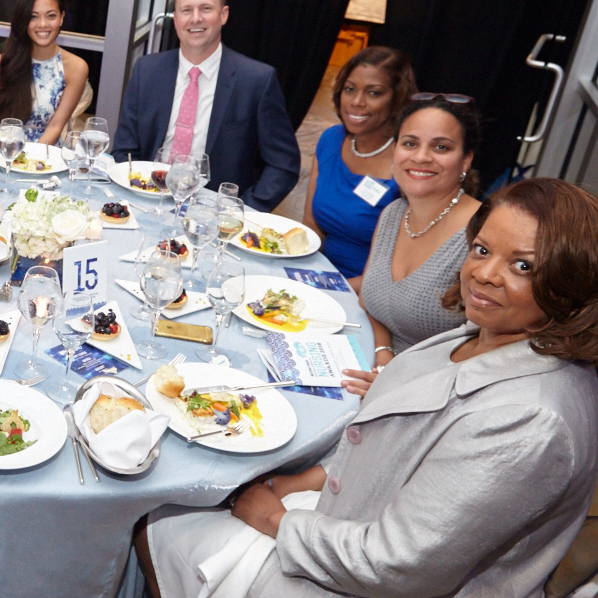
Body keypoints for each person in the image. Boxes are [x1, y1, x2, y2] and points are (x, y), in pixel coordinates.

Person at [139, 178, 598, 598]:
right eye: (481, 250)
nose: (485, 274)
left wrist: (275, 520)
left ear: (571, 283)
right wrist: (293, 483)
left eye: (522, 265)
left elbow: (397, 565)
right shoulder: (481, 335)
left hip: (371, 580)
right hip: (347, 518)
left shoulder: (530, 420)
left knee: (155, 521)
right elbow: (385, 453)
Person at [111, 0, 300, 212]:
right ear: (176, 18)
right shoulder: (147, 70)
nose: (195, 18)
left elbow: (284, 164)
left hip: (213, 214)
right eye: (186, 10)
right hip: (149, 200)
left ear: (224, 15)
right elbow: (124, 149)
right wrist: (137, 193)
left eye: (206, 9)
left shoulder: (256, 80)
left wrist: (243, 211)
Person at [342, 95, 483, 394]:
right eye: (409, 143)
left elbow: (487, 351)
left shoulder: (482, 235)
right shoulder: (393, 214)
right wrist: (383, 356)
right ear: (394, 151)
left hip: (431, 393)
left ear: (466, 160)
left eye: (441, 147)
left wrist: (397, 382)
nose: (421, 157)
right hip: (373, 366)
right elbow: (371, 301)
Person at [302, 47, 415, 283]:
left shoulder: (409, 161)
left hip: (370, 294)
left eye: (374, 93)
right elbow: (311, 229)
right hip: (320, 277)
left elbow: (404, 271)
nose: (357, 102)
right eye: (350, 89)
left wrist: (330, 288)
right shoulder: (331, 140)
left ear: (397, 99)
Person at [0, 0, 90, 144]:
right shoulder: (3, 62)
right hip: (3, 153)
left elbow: (55, 127)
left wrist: (28, 162)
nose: (42, 24)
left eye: (51, 16)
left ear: (61, 18)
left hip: (45, 158)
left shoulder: (76, 67)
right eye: (33, 16)